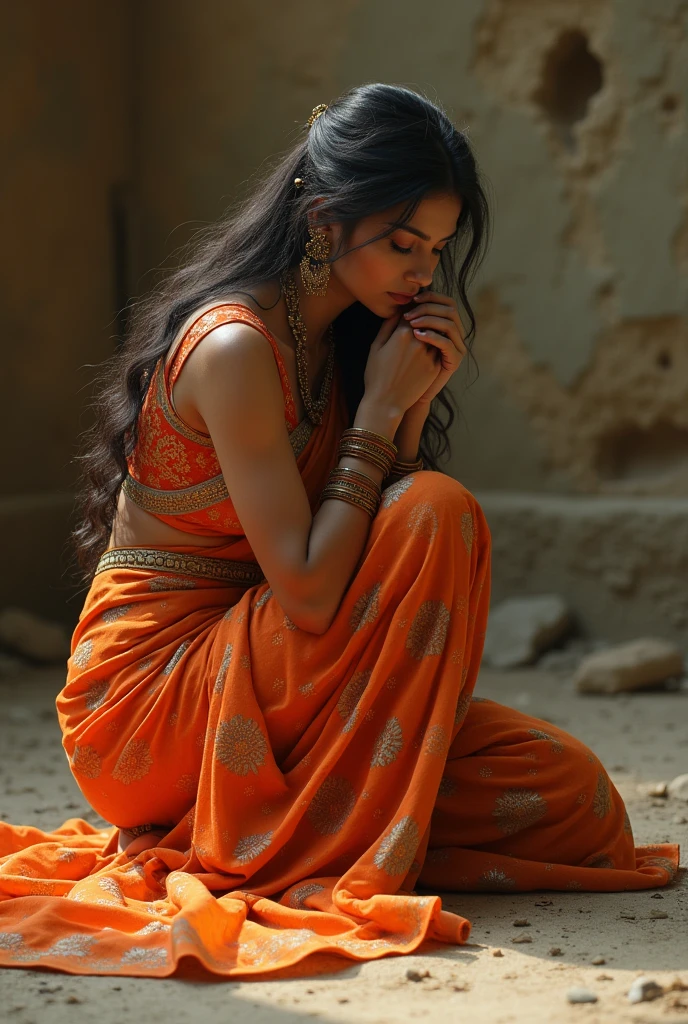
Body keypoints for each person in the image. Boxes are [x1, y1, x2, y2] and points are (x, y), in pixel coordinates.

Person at [0, 83, 679, 979]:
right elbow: (318, 592)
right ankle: (269, 828)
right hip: (151, 705)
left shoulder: (348, 342)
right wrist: (382, 415)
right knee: (440, 507)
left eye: (435, 250)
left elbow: (371, 565)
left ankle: (277, 829)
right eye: (403, 244)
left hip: (284, 681)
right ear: (324, 218)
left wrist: (407, 408)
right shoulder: (235, 346)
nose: (423, 273)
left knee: (574, 798)